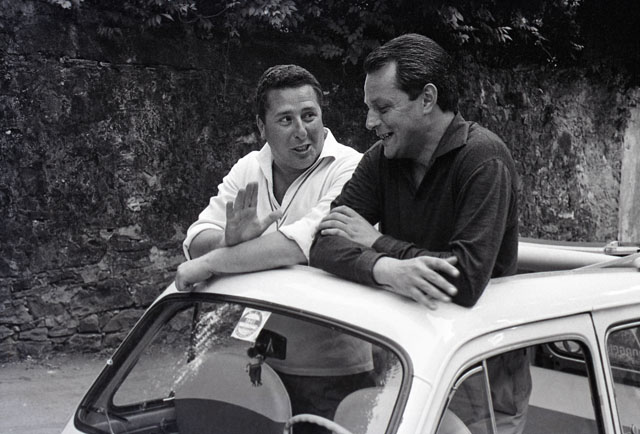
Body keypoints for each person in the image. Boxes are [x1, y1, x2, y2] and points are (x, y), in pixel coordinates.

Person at [309, 34, 531, 433]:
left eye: (382, 108)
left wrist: (377, 243)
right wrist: (385, 269)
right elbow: (323, 244)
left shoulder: (484, 158)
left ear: (427, 98)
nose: (369, 122)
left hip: (478, 379)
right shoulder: (381, 159)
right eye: (369, 108)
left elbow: (464, 279)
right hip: (406, 367)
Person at [175, 64, 373, 433]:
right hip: (253, 362)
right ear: (261, 127)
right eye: (285, 119)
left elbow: (304, 243)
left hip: (330, 371)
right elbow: (197, 237)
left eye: (309, 115)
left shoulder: (352, 168)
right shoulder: (249, 167)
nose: (301, 131)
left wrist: (213, 262)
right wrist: (229, 241)